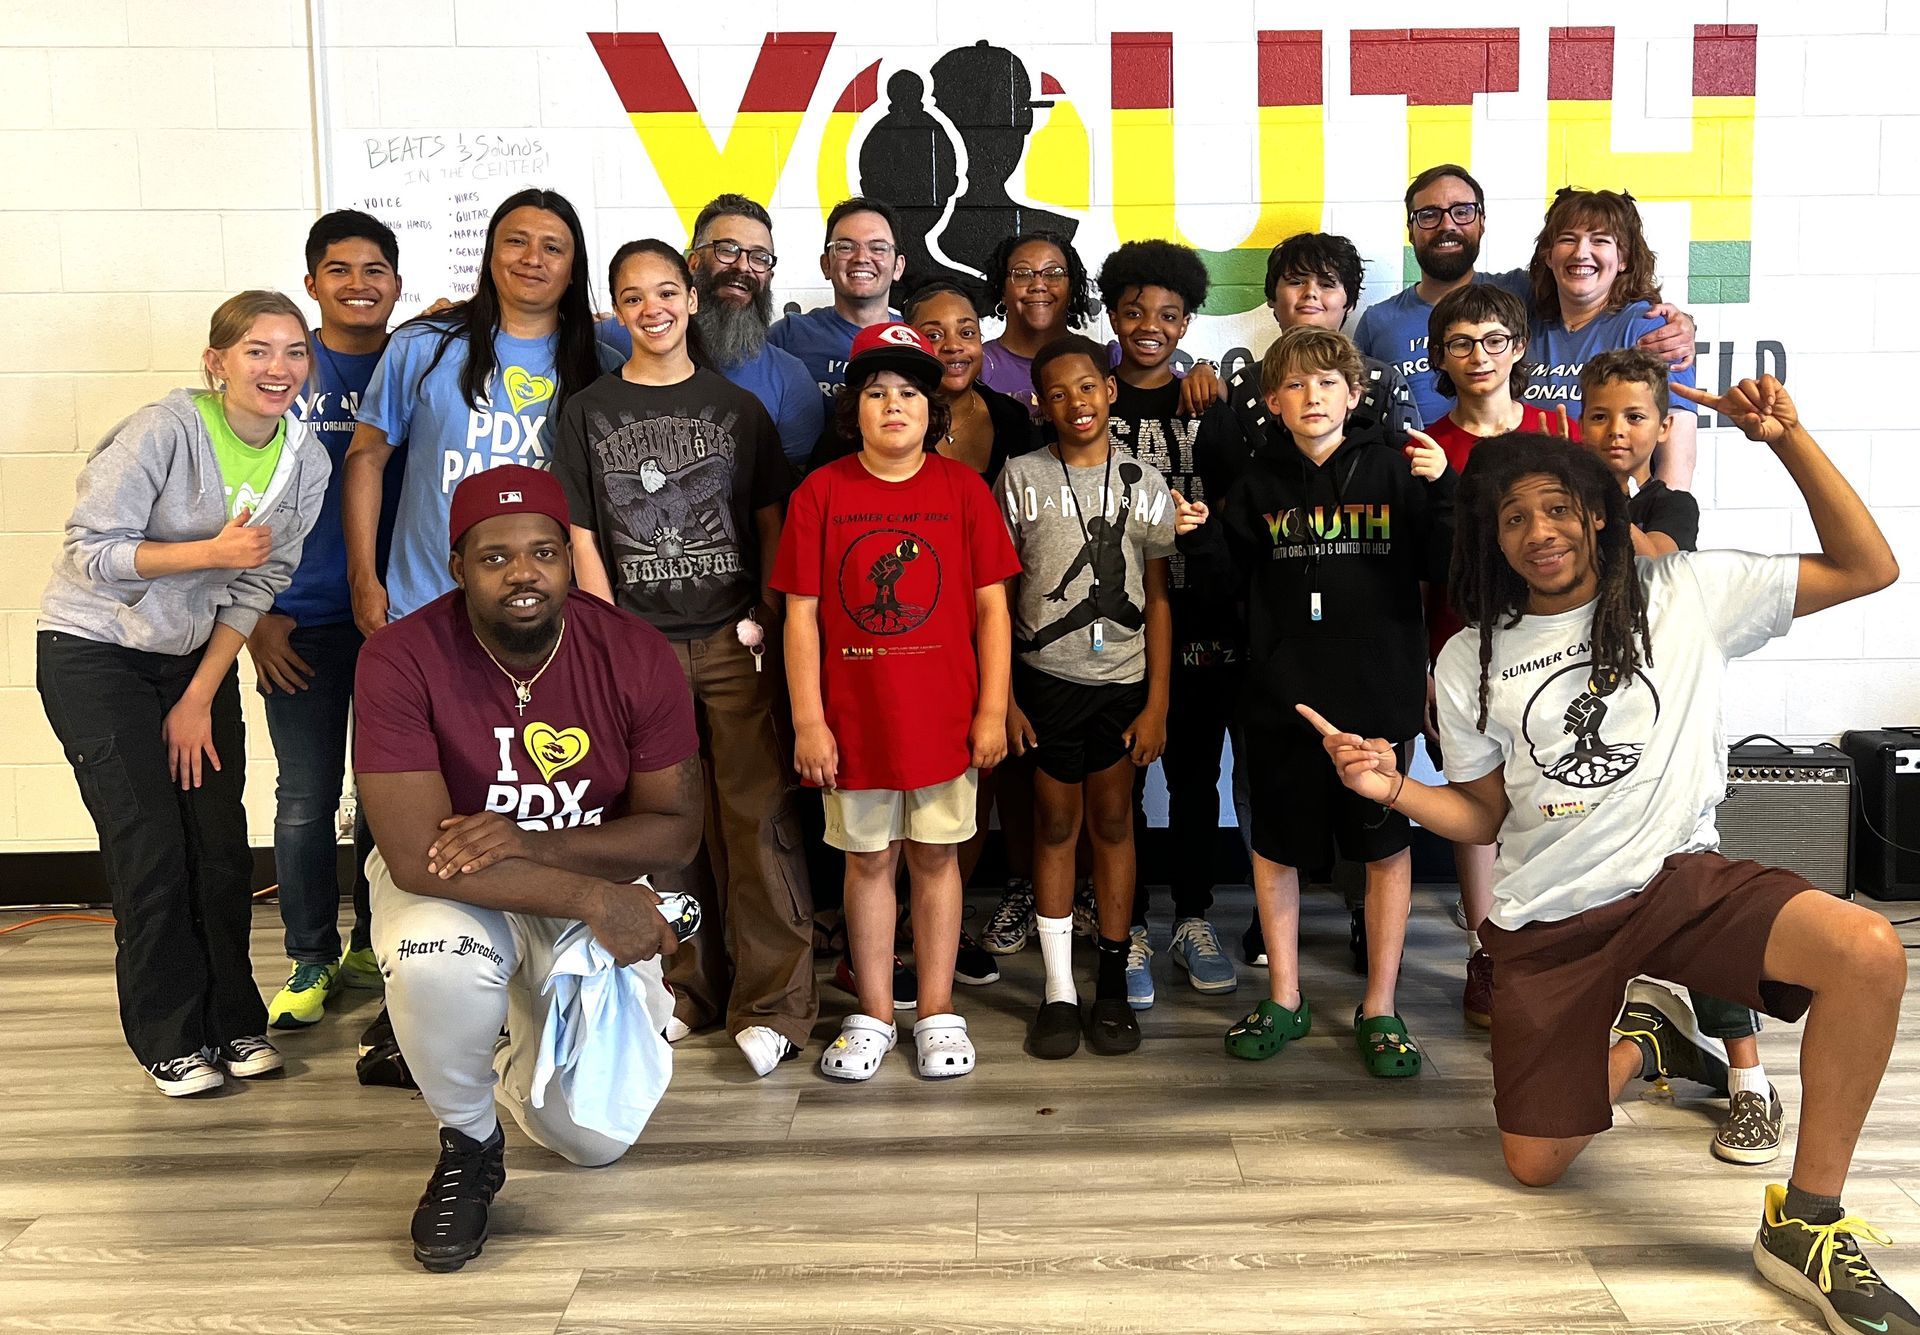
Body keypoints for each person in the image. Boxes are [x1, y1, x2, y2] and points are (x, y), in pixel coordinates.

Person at [1303, 378, 1913, 1335]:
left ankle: (1806, 1222)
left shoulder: (1686, 592)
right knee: (1535, 1164)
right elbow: (1486, 813)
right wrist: (1394, 791)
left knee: (1869, 950)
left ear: (1596, 510)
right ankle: (1651, 1038)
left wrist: (1787, 439)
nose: (1538, 530)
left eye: (1556, 507)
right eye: (1513, 517)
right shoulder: (1471, 654)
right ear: (1491, 538)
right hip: (1548, 915)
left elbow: (1870, 567)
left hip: (1681, 877)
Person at [354, 464, 704, 1272]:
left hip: (557, 873)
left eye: (544, 552)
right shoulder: (402, 656)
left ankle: (501, 1040)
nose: (523, 573)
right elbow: (416, 855)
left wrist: (528, 843)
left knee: (593, 1141)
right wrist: (589, 893)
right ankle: (469, 1143)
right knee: (438, 961)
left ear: (569, 560)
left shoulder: (633, 651)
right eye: (495, 557)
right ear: (457, 567)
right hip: (454, 885)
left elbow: (677, 831)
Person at [38, 290, 331, 1094]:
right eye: (258, 351)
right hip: (95, 654)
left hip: (192, 661)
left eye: (294, 352)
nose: (279, 368)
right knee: (151, 850)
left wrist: (201, 693)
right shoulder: (163, 431)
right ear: (218, 362)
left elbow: (261, 581)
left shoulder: (305, 459)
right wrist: (210, 550)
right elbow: (91, 552)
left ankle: (232, 1022)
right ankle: (170, 1038)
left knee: (218, 844)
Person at [553, 239, 814, 1078]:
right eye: (633, 297)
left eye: (667, 291)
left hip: (732, 641)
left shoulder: (737, 407)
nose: (652, 308)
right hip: (643, 646)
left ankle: (774, 1003)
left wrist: (765, 612)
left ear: (692, 299)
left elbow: (772, 518)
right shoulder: (588, 411)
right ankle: (685, 988)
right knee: (667, 830)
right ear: (616, 310)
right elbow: (583, 533)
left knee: (757, 820)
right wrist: (607, 633)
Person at [772, 323, 1020, 1082]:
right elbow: (802, 614)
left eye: (910, 392)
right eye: (876, 392)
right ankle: (876, 1010)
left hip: (944, 717)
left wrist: (991, 709)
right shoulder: (822, 492)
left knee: (938, 857)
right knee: (869, 860)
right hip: (854, 725)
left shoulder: (962, 490)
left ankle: (938, 1007)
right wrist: (810, 719)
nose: (893, 405)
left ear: (932, 410)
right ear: (855, 408)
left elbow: (992, 609)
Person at [1216, 326, 1452, 1076]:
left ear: (1355, 396)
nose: (1312, 397)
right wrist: (1195, 541)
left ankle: (1380, 1004)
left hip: (1376, 703)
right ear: (1272, 401)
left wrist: (1444, 488)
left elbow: (1447, 565)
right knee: (1276, 847)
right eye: (1296, 385)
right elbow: (1225, 586)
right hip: (1283, 703)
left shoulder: (1400, 470)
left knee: (1383, 850)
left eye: (1328, 384)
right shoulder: (1255, 485)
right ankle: (1285, 994)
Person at [1578, 346, 1783, 1165]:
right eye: (1600, 416)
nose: (1616, 430)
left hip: (1667, 740)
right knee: (1592, 901)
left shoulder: (1673, 505)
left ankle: (1752, 1085)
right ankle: (1640, 1029)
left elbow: (1643, 554)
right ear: (1576, 420)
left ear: (1664, 428)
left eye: (1635, 417)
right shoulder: (1558, 494)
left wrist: (1592, 509)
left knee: (1697, 913)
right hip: (1585, 741)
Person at [998, 334, 1201, 1059]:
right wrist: (1005, 699)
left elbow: (1158, 596)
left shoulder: (1144, 482)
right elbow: (997, 591)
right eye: (1056, 393)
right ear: (1038, 404)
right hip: (1044, 680)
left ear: (1109, 391)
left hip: (1124, 683)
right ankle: (1058, 989)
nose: (1074, 403)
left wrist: (1158, 704)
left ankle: (1111, 983)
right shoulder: (1019, 476)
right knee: (1055, 824)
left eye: (1086, 387)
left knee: (1115, 821)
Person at [344, 188, 621, 635]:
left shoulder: (603, 368)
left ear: (572, 270)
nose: (533, 258)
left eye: (552, 247)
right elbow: (366, 457)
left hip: (548, 616)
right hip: (425, 606)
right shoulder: (422, 344)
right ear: (490, 254)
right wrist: (363, 579)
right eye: (516, 241)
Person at [254, 210, 403, 1030]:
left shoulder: (418, 360)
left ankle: (374, 944)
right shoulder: (283, 368)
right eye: (339, 270)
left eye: (374, 268)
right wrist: (256, 616)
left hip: (392, 617)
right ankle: (311, 954)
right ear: (311, 284)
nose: (358, 284)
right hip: (295, 620)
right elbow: (239, 493)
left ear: (396, 284)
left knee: (386, 795)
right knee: (307, 796)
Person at [1092, 239, 1242, 1006]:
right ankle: (1129, 923)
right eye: (1135, 310)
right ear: (1112, 313)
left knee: (1192, 780)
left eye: (1169, 314)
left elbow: (1240, 512)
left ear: (1187, 323)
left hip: (1199, 621)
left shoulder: (1209, 408)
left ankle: (1191, 914)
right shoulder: (1092, 398)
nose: (1151, 325)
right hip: (1109, 627)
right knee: (1118, 783)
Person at [1418, 281, 1567, 1031]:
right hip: (1461, 649)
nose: (1479, 356)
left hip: (1558, 649)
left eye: (1493, 340)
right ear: (1440, 355)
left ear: (1518, 348)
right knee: (1482, 800)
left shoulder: (1556, 428)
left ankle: (1562, 942)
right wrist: (1423, 664)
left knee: (1558, 794)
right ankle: (1487, 949)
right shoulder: (1426, 444)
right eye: (1462, 343)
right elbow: (1416, 570)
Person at [1355, 164, 1696, 428]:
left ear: (1482, 222)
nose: (1448, 225)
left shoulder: (1520, 295)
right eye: (1429, 215)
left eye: (1462, 212)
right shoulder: (1378, 322)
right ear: (1410, 229)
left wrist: (1680, 324)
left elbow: (1589, 291)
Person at [595, 194, 823, 468]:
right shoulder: (614, 339)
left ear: (769, 276)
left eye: (759, 257)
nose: (742, 266)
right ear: (692, 263)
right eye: (727, 249)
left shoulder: (791, 380)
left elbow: (789, 495)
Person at [1522, 187, 1698, 488]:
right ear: (1548, 256)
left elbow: (1677, 459)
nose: (1581, 252)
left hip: (1620, 519)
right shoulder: (1520, 322)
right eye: (1568, 239)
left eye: (1600, 240)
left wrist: (1661, 528)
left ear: (1624, 259)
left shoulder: (1651, 330)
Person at [770, 196, 906, 399]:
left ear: (898, 267)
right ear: (826, 264)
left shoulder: (914, 338)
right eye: (845, 247)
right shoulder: (788, 335)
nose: (861, 258)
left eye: (878, 248)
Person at [978, 231, 1099, 416]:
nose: (1038, 285)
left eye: (1053, 274)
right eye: (1022, 274)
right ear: (1002, 290)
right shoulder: (976, 366)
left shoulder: (1103, 360)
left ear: (1071, 288)